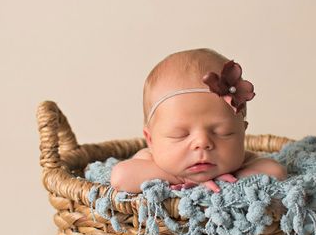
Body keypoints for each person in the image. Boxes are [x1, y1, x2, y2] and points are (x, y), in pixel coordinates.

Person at [110, 48, 287, 193]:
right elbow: (121, 177)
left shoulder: (240, 161)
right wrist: (183, 179)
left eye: (223, 132)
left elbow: (276, 172)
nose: (202, 143)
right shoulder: (149, 160)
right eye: (180, 134)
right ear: (150, 140)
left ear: (242, 133)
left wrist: (224, 179)